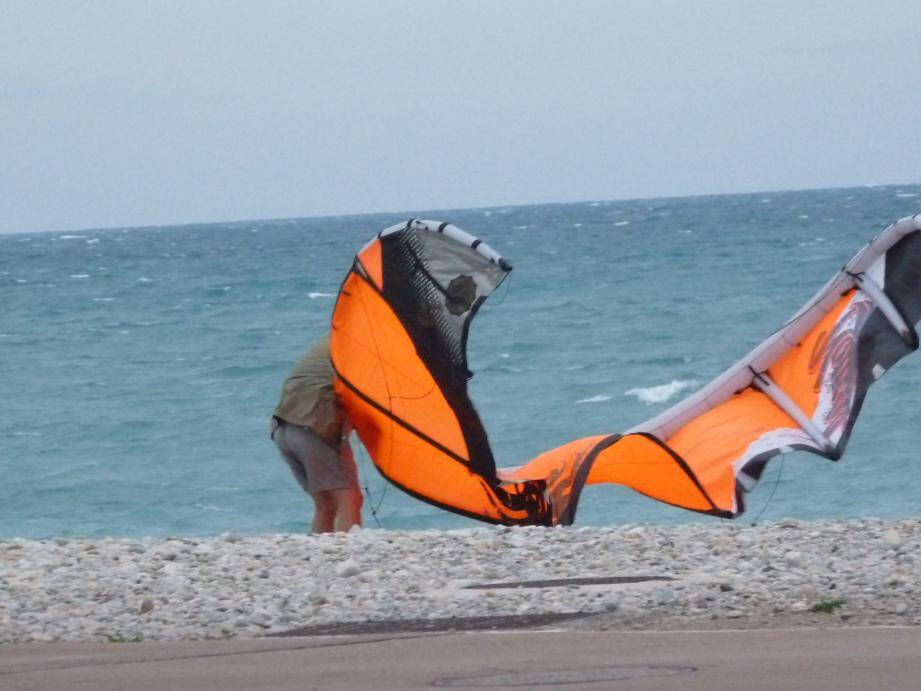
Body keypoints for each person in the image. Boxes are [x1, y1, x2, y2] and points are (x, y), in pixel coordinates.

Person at [271, 336, 363, 533]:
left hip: (283, 426)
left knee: (326, 503)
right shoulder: (359, 347)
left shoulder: (336, 341)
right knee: (349, 496)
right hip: (312, 426)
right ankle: (349, 552)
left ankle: (323, 554)